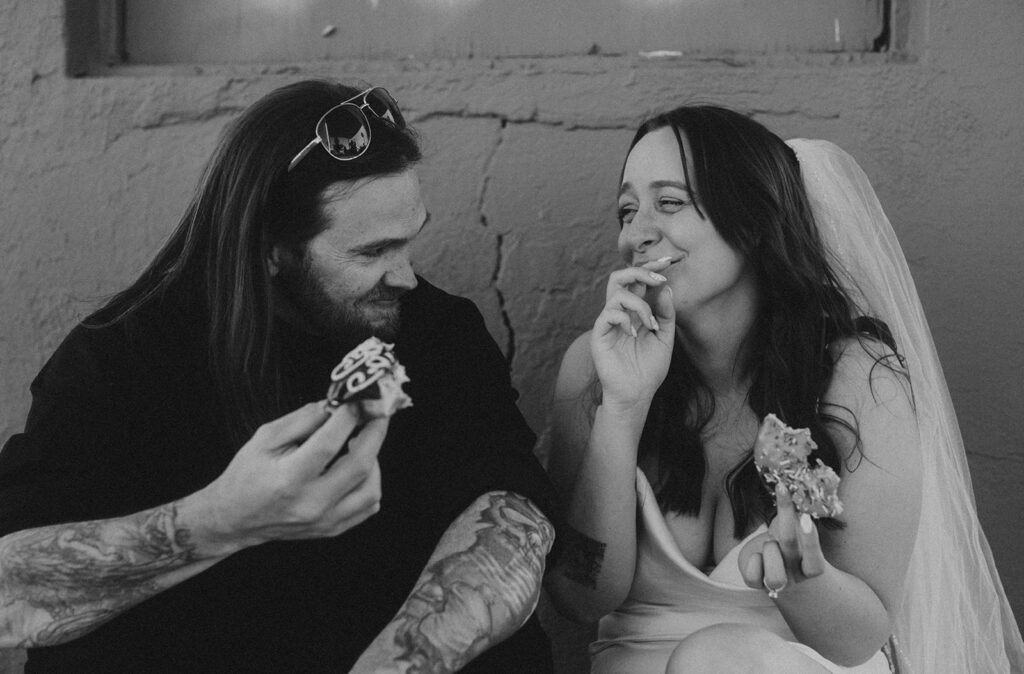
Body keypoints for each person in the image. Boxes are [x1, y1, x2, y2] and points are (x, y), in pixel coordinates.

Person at [0, 80, 558, 673]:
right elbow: (13, 592)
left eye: (409, 241)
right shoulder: (122, 358)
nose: (406, 277)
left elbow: (510, 518)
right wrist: (224, 519)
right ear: (270, 250)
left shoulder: (436, 331)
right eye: (371, 254)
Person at [543, 105, 1024, 673]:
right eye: (627, 210)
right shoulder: (594, 367)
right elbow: (579, 599)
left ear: (751, 220)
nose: (636, 235)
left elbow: (858, 640)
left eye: (668, 203)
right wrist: (623, 408)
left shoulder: (858, 376)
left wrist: (802, 580)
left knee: (713, 658)